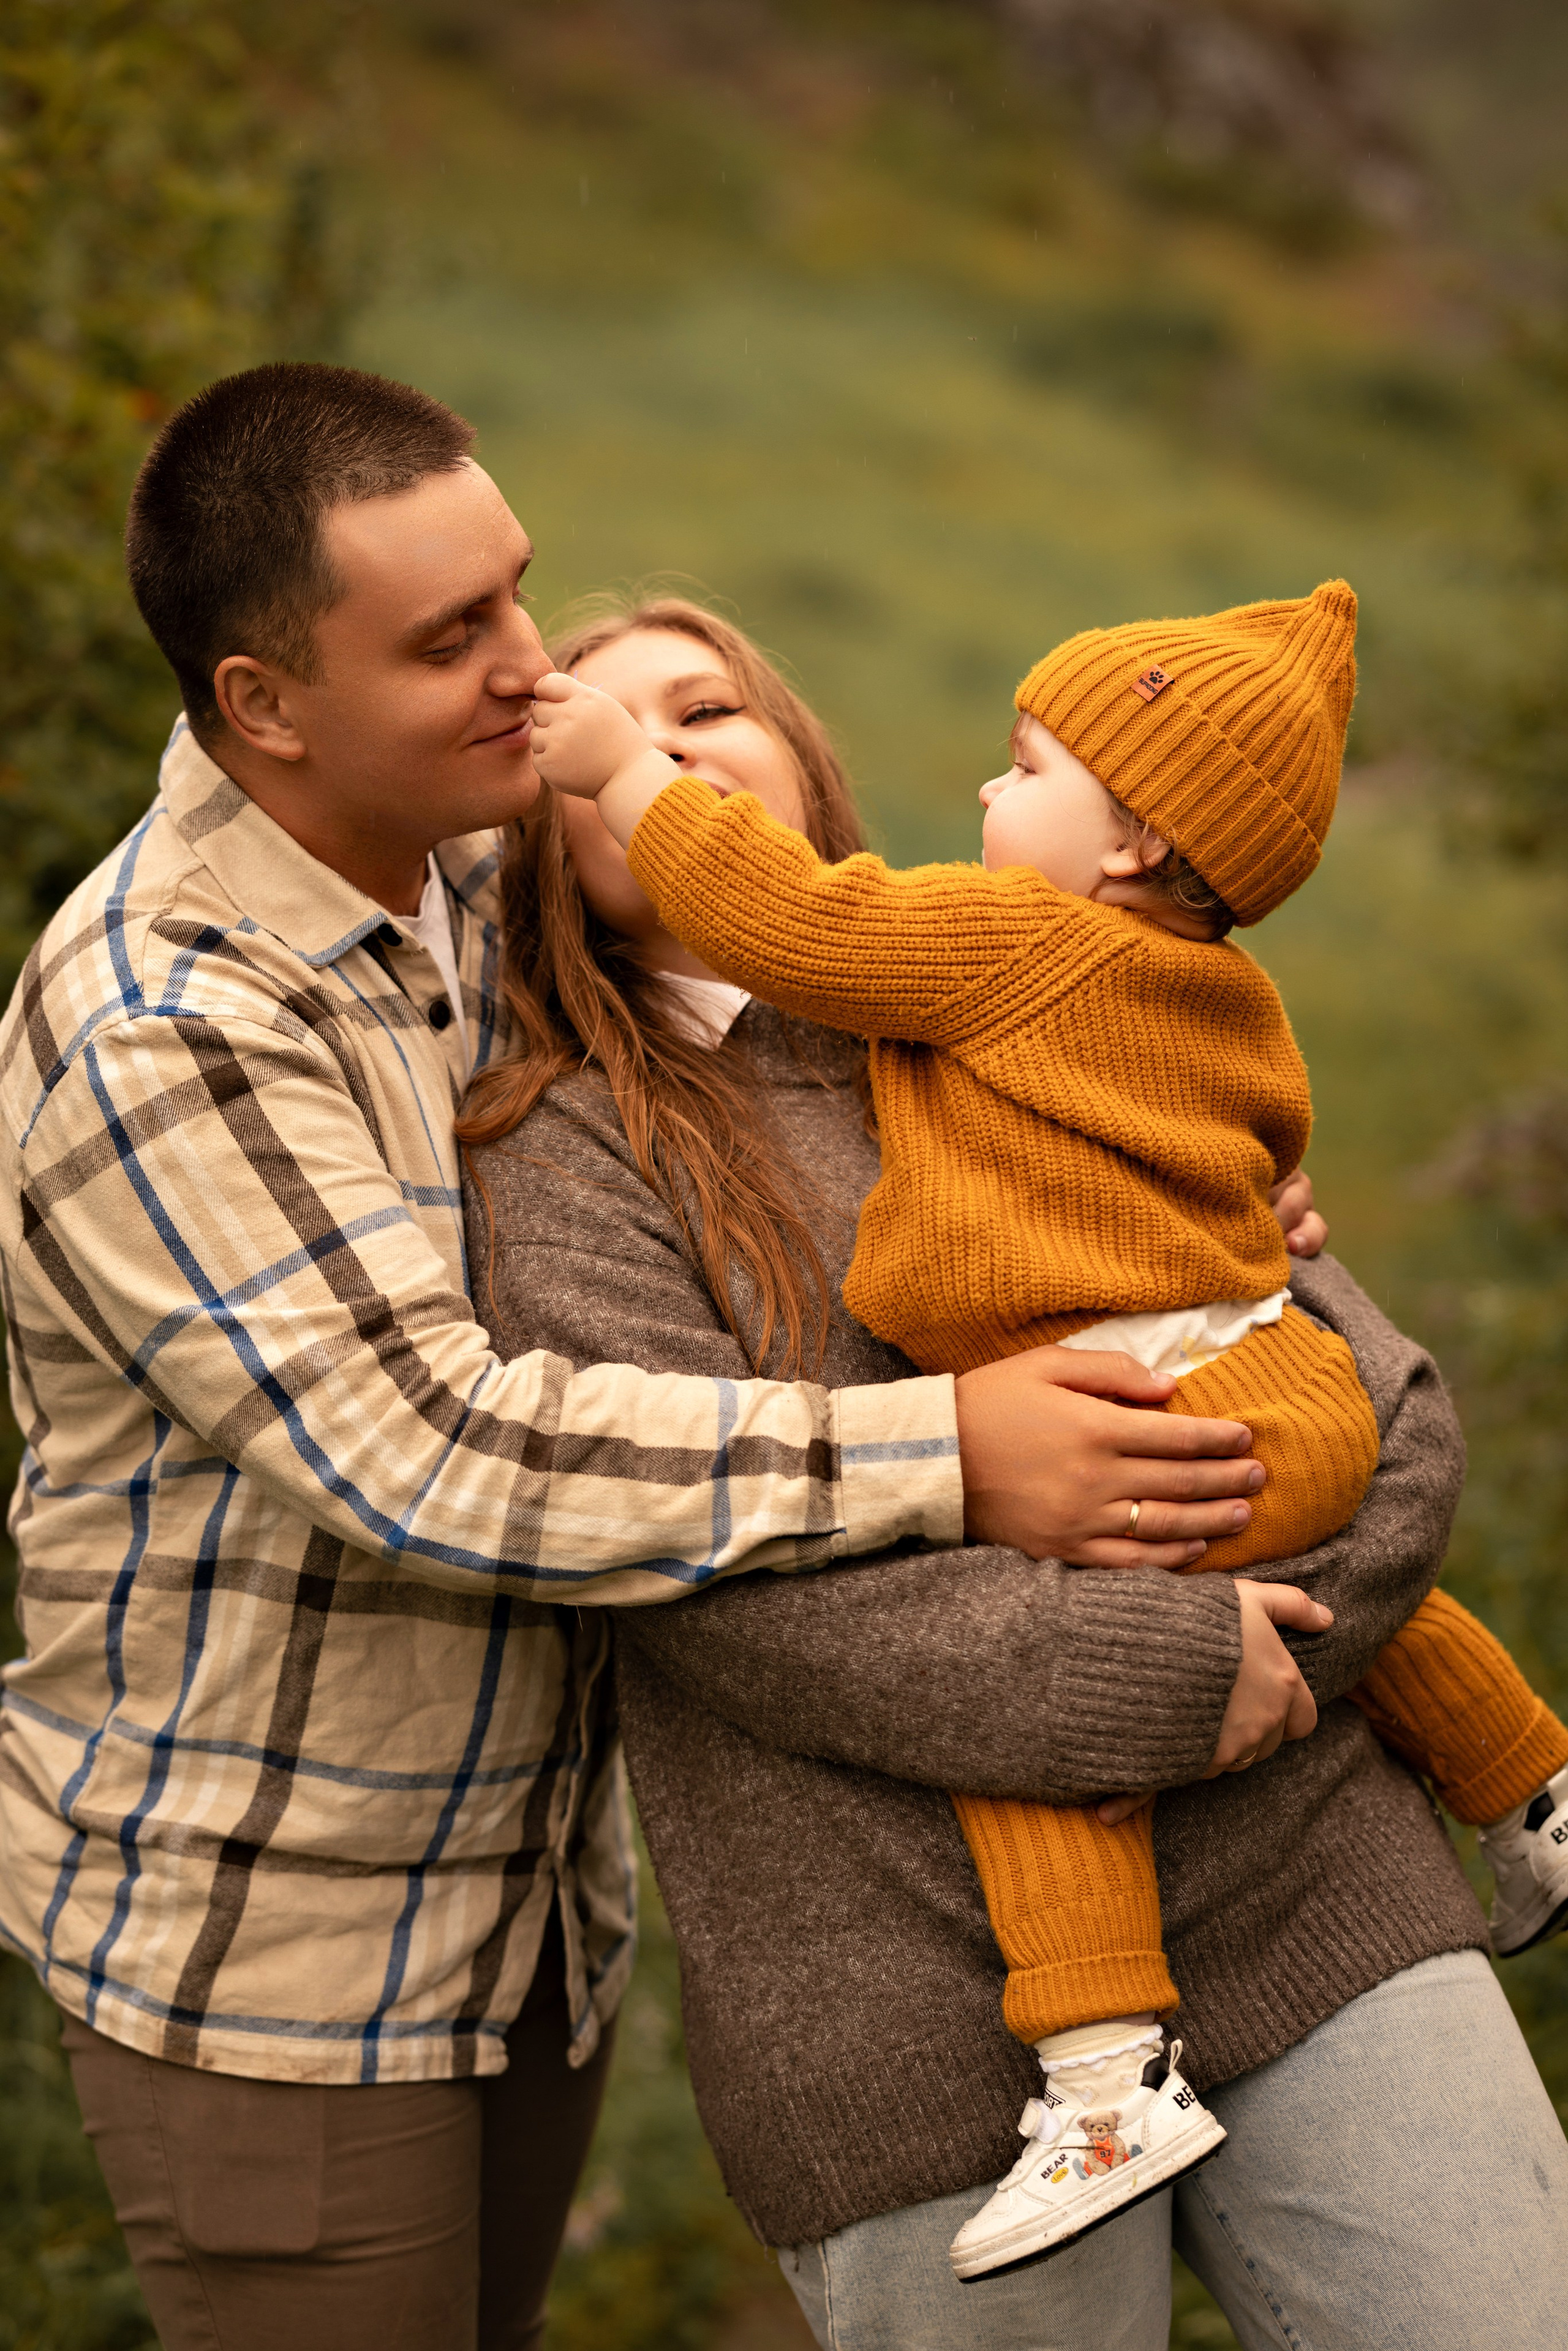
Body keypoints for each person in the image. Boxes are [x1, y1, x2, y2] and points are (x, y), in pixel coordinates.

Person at [0, 366, 1272, 2351]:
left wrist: (1168, 1205)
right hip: (291, 1964)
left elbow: (794, 952)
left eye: (515, 592)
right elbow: (436, 1457)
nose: (533, 672)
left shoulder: (440, 861)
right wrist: (955, 1445)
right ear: (265, 707)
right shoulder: (170, 1019)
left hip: (521, 1914)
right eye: (449, 642)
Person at [466, 592, 1568, 2349]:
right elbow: (700, 1585)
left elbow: (1372, 1414)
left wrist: (1276, 1642)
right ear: (527, 840)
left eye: (704, 710)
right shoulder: (561, 1158)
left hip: (1313, 1879)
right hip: (908, 1999)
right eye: (600, 739)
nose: (657, 758)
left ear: (797, 756)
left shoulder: (1028, 969)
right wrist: (1163, 1668)